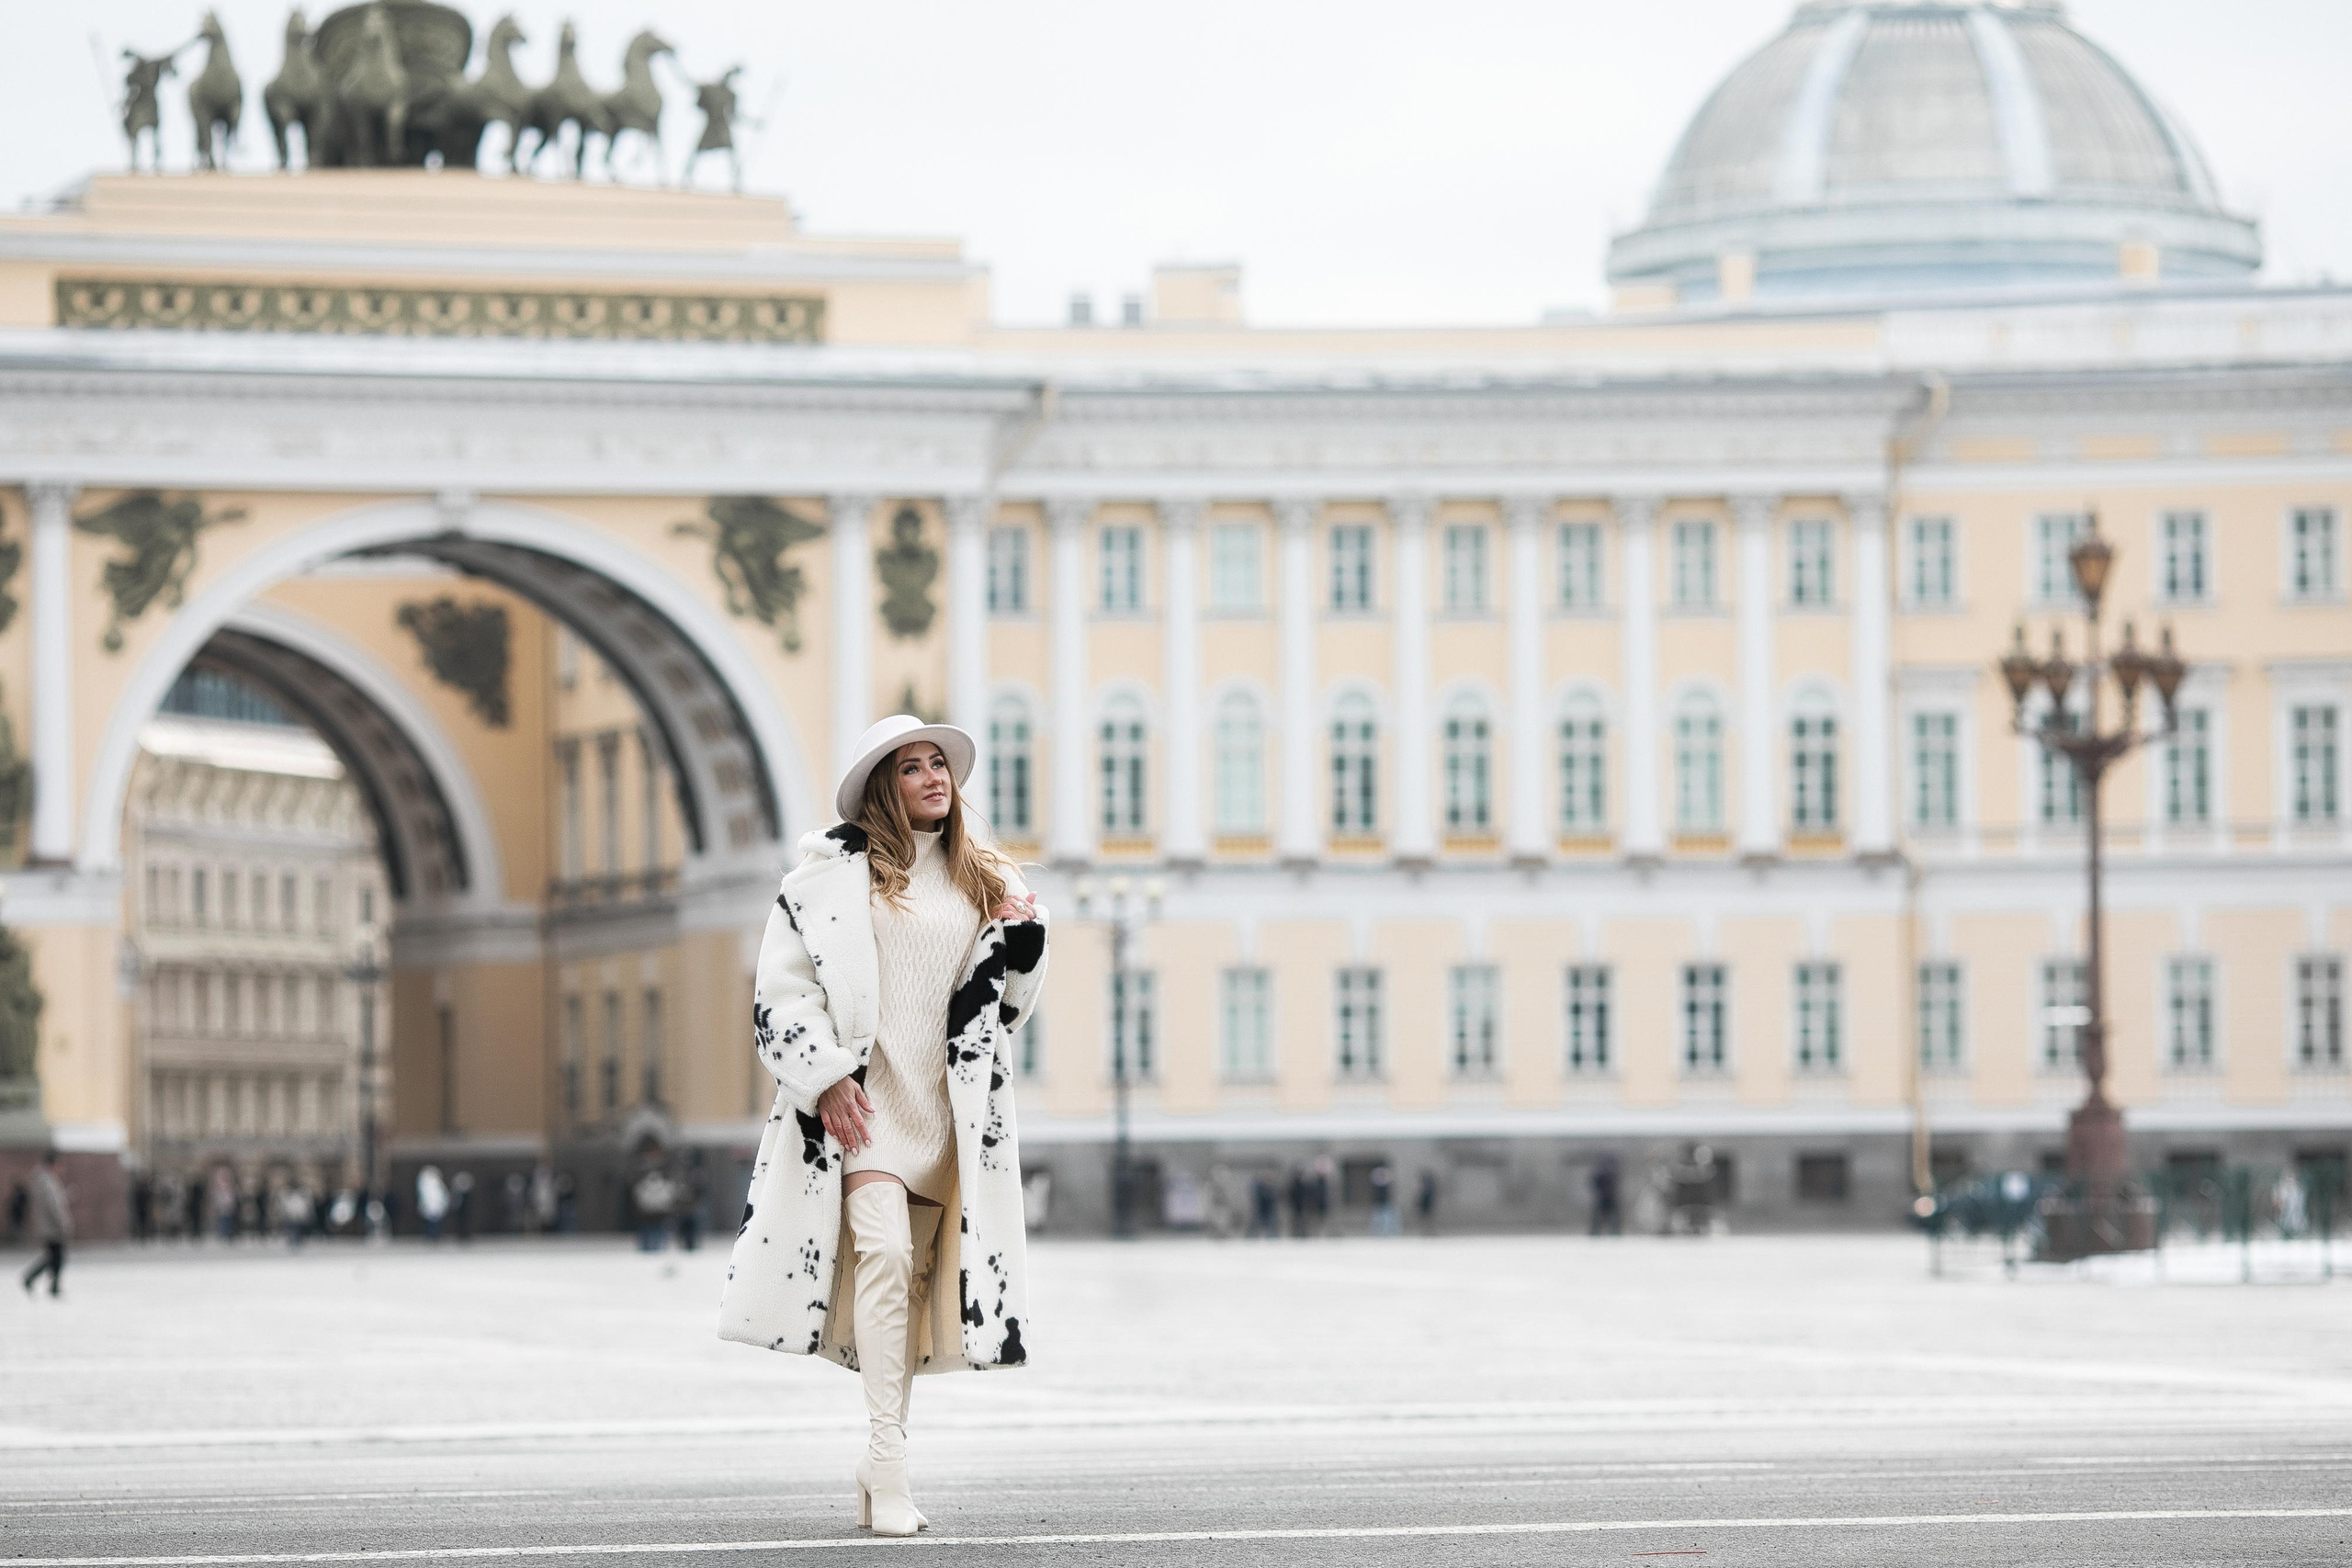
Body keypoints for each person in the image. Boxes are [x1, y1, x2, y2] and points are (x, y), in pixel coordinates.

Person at [718, 715, 1048, 1539]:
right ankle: (889, 1460)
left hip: (948, 1114)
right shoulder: (828, 877)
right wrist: (824, 1074)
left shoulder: (986, 876)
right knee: (887, 1255)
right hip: (864, 1107)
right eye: (912, 767)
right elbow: (782, 991)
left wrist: (1024, 934)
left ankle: (879, 1462)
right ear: (882, 787)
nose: (935, 777)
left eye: (940, 763)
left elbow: (1008, 1010)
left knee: (907, 1284)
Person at [19, 1150, 70, 1297]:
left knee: (54, 1256)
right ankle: (41, 1281)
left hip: (48, 1225)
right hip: (52, 1227)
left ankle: (48, 1284)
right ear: (53, 1164)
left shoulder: (43, 1179)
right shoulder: (46, 1181)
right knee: (56, 1257)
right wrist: (62, 1223)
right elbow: (53, 1205)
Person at [1589, 1155, 1623, 1236]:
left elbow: (1594, 1183)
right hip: (1606, 1197)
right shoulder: (1610, 1172)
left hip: (1606, 1197)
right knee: (1601, 1218)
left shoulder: (1602, 1172)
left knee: (1609, 1218)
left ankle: (1612, 1233)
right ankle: (1612, 1233)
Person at [416, 1164, 449, 1241]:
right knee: (431, 1222)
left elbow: (442, 1194)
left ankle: (436, 1235)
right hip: (429, 1206)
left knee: (437, 1222)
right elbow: (424, 1196)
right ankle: (431, 1235)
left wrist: (443, 1203)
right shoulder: (424, 1184)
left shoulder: (438, 1183)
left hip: (438, 1205)